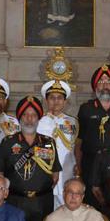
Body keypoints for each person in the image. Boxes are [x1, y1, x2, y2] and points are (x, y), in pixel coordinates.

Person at [0, 96, 58, 221]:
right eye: (26, 115)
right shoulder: (8, 142)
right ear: (19, 118)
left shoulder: (48, 142)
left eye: (33, 115)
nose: (29, 119)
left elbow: (55, 176)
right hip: (16, 202)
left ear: (39, 118)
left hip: (42, 202)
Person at [77, 63, 110, 183]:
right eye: (101, 82)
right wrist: (78, 165)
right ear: (95, 87)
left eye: (109, 82)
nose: (105, 86)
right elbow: (79, 141)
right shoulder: (86, 109)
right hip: (90, 163)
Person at [37, 79, 79, 208]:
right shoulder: (39, 121)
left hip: (67, 173)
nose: (56, 101)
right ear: (46, 100)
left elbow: (77, 148)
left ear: (65, 101)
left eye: (60, 98)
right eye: (52, 98)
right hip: (44, 173)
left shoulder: (73, 122)